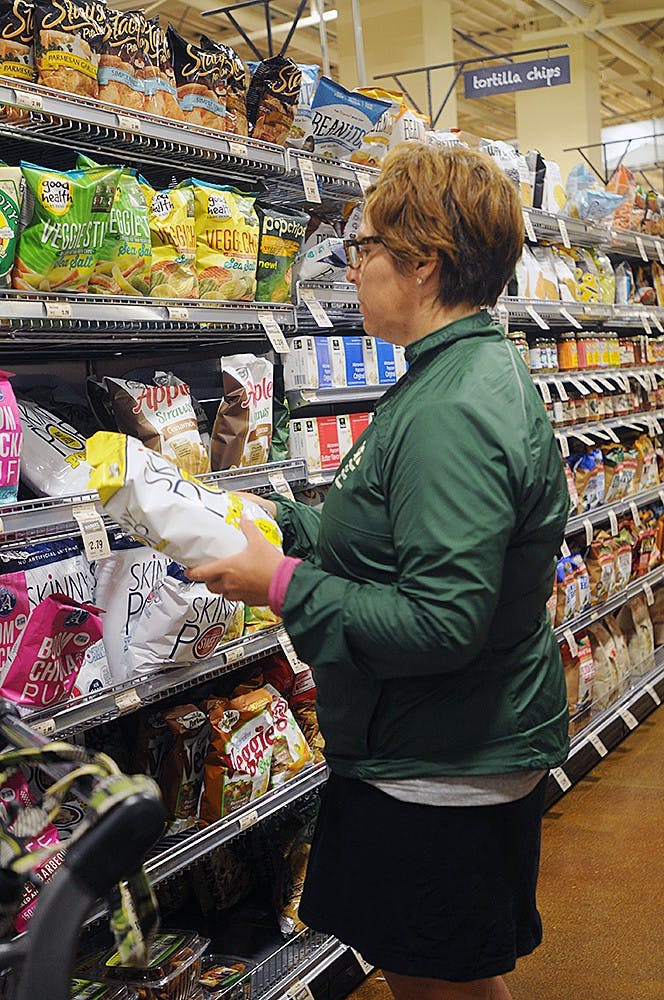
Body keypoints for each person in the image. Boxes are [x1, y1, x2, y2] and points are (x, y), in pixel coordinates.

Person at [188, 143, 570, 1000]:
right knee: (445, 978)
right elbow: (398, 541)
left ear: (424, 264)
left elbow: (441, 623)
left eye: (362, 250)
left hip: (440, 764)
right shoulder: (457, 375)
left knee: (438, 984)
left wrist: (281, 584)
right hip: (442, 743)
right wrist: (283, 524)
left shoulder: (456, 409)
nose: (350, 268)